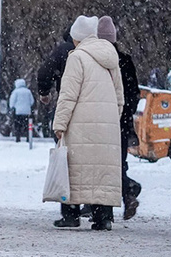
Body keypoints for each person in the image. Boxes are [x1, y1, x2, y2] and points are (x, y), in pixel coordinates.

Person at [51, 16, 124, 231]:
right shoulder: (112, 57)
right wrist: (111, 117)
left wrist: (60, 123)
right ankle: (103, 217)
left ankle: (70, 214)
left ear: (78, 38)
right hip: (107, 125)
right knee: (101, 171)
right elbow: (120, 97)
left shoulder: (77, 57)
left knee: (75, 169)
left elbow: (68, 95)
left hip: (80, 124)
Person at [99, 16, 143, 220]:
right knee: (119, 161)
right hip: (123, 121)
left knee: (101, 164)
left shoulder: (97, 60)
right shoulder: (125, 60)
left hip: (103, 118)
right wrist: (127, 111)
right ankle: (128, 191)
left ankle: (124, 192)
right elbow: (135, 92)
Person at [36, 31, 74, 139]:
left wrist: (44, 92)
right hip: (96, 105)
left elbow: (45, 72)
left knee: (62, 139)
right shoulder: (101, 51)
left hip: (65, 100)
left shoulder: (63, 50)